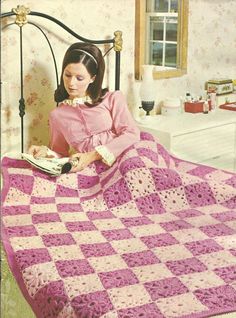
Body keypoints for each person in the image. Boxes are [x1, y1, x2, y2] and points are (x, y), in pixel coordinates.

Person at [28, 42, 140, 172]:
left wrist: (91, 156)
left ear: (92, 78)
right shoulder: (57, 115)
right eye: (67, 75)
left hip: (126, 156)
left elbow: (131, 133)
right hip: (89, 171)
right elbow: (60, 154)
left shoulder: (112, 98)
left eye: (79, 78)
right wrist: (45, 152)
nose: (71, 83)